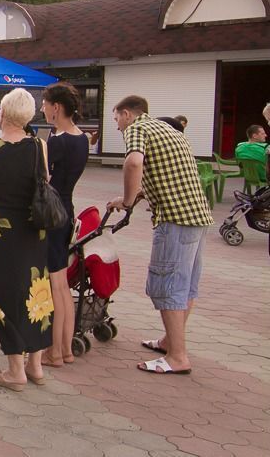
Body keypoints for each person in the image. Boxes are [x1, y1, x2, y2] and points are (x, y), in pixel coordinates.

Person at [107, 95, 213, 375]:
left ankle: (178, 356)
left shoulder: (137, 129)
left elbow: (133, 163)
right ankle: (170, 342)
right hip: (197, 216)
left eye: (116, 118)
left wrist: (128, 202)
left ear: (127, 114)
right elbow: (166, 175)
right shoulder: (169, 129)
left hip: (174, 220)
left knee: (168, 287)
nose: (116, 126)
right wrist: (131, 196)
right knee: (186, 285)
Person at [0, 88, 52, 391]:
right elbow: (43, 182)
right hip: (34, 227)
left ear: (3, 114)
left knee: (5, 295)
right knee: (37, 290)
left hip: (0, 232)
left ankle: (14, 370)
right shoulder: (39, 146)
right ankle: (35, 365)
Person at [40, 83, 89, 368]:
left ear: (56, 107)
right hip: (67, 209)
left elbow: (41, 176)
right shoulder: (82, 139)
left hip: (51, 212)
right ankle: (66, 349)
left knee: (56, 283)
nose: (43, 109)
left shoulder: (57, 141)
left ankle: (54, 352)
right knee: (62, 284)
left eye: (45, 104)